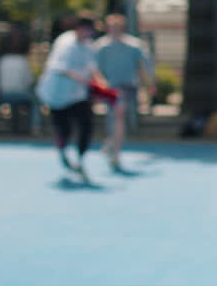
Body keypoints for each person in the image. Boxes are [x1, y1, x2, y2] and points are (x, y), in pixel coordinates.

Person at [35, 13, 110, 180]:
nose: (88, 34)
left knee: (87, 123)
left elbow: (92, 68)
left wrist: (101, 82)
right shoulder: (65, 44)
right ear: (78, 29)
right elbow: (62, 68)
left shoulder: (89, 45)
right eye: (86, 30)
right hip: (57, 94)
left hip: (77, 94)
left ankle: (81, 159)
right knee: (64, 129)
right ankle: (62, 150)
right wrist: (86, 81)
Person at [93, 13, 155, 171]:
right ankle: (115, 153)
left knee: (117, 117)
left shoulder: (134, 45)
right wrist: (100, 84)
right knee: (117, 117)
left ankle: (112, 142)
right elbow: (95, 68)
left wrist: (150, 84)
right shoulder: (101, 46)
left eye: (117, 27)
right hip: (111, 88)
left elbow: (145, 65)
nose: (114, 30)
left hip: (128, 86)